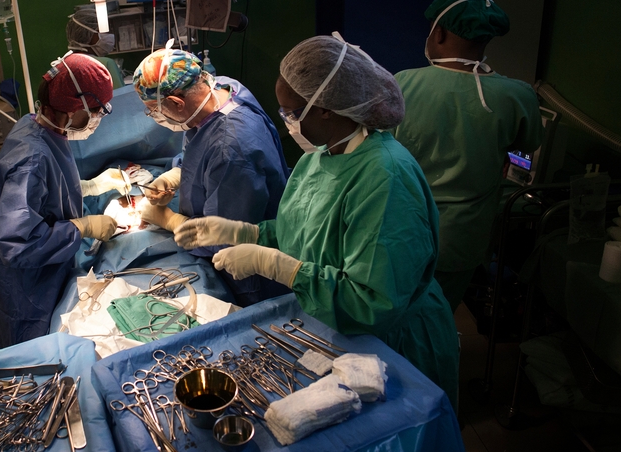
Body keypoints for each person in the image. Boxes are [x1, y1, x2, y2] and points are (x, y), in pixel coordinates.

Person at [174, 34, 461, 409]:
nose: (286, 122)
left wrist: (273, 264)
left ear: (326, 109)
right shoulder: (321, 156)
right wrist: (249, 232)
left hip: (391, 343)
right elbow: (306, 231)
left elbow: (373, 302)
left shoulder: (386, 178)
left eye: (291, 112)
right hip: (334, 324)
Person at [393, 0, 544, 313]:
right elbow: (525, 155)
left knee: (394, 316)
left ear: (440, 33)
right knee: (436, 318)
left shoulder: (404, 83)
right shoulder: (517, 95)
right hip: (462, 237)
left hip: (403, 228)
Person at [133, 45, 291, 306]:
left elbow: (225, 238)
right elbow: (201, 146)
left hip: (251, 275)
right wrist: (176, 174)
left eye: (154, 110)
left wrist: (170, 220)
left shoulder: (230, 149)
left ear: (175, 102)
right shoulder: (222, 89)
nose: (156, 117)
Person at [0, 52, 120, 347]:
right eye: (96, 110)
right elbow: (17, 243)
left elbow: (45, 193)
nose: (97, 118)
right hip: (30, 288)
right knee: (32, 363)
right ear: (74, 107)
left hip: (48, 271)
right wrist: (81, 227)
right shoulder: (31, 157)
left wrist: (90, 186)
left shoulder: (40, 125)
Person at [67, 7, 124, 88]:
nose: (109, 35)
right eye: (104, 31)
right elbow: (122, 98)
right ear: (89, 34)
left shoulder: (66, 64)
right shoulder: (105, 64)